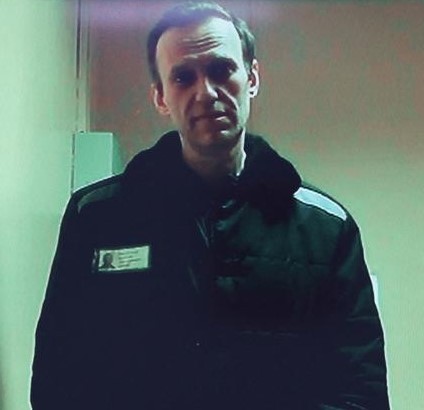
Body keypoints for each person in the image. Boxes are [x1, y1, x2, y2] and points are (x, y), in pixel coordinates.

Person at [31, 2, 390, 409]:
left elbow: (361, 392)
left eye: (221, 70)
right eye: (183, 77)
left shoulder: (327, 228)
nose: (205, 92)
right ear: (161, 97)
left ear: (251, 78)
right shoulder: (96, 217)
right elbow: (57, 383)